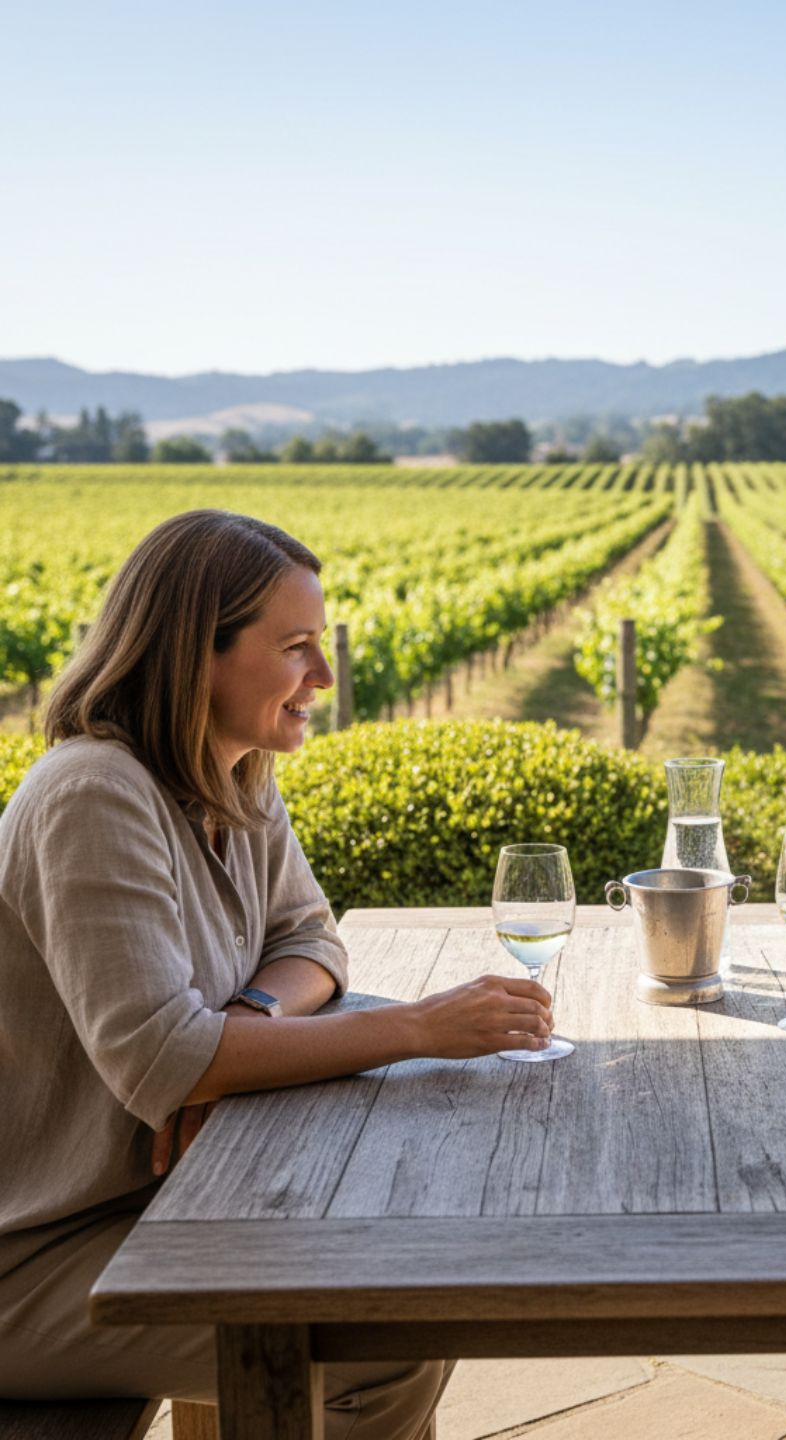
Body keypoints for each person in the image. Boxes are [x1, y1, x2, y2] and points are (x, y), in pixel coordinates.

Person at [0, 510, 552, 1435]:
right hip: (35, 1258)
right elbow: (168, 1060)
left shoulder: (236, 774)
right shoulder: (92, 792)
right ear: (192, 655)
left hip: (164, 1201)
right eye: (296, 647)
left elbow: (313, 943)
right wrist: (418, 1028)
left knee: (413, 1273)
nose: (325, 678)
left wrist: (251, 1019)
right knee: (380, 1340)